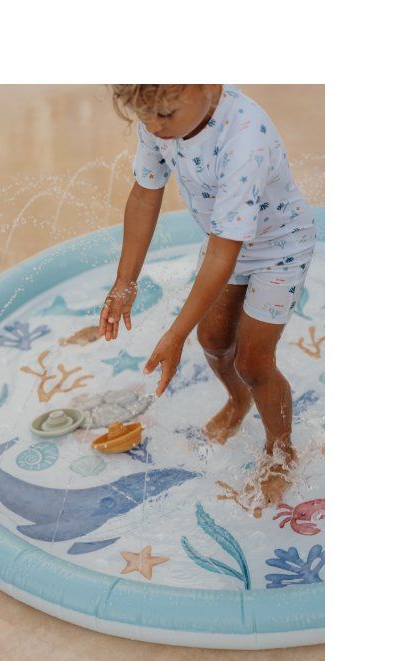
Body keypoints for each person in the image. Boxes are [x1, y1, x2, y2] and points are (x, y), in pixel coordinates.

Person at [100, 84, 316, 505]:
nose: (154, 127)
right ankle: (238, 401)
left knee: (253, 362)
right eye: (144, 116)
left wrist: (174, 333)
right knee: (213, 340)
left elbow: (221, 256)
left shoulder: (244, 137)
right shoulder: (158, 115)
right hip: (224, 238)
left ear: (209, 85)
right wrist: (125, 280)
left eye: (165, 115)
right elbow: (145, 194)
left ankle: (281, 450)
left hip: (280, 250)